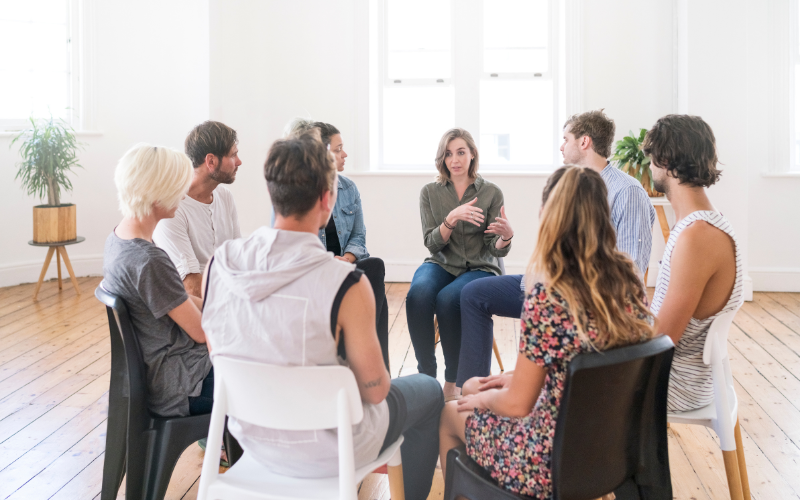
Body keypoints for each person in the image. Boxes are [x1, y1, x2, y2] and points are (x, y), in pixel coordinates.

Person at [201, 132, 443, 500]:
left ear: (271, 192)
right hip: (331, 450)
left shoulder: (219, 264)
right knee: (430, 390)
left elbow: (219, 350)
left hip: (252, 439)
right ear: (327, 199)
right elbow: (376, 391)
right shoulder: (346, 284)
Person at [438, 166, 655, 498]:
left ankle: (489, 484)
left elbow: (516, 405)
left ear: (548, 215)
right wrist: (511, 379)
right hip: (610, 448)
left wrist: (482, 399)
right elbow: (583, 361)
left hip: (547, 460)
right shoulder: (629, 282)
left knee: (453, 410)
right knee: (473, 386)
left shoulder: (549, 296)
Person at [456, 109, 656, 388]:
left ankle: (485, 394)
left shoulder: (627, 191)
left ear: (584, 142)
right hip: (551, 284)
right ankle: (471, 390)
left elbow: (630, 271)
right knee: (473, 293)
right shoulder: (570, 185)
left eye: (566, 139)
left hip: (578, 299)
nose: (561, 146)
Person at [102, 143, 212, 418]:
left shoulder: (118, 239)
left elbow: (178, 299)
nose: (183, 195)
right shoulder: (149, 261)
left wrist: (221, 305)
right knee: (265, 367)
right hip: (183, 384)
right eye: (178, 189)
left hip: (164, 375)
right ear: (157, 195)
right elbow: (202, 333)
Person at [643, 114, 742, 412]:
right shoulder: (702, 224)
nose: (649, 167)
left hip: (672, 384)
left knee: (559, 375)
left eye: (651, 158)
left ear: (665, 161)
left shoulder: (697, 236)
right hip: (674, 375)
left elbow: (663, 339)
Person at [406, 128, 513, 401]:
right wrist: (451, 218)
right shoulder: (430, 192)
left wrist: (505, 237)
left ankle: (451, 382)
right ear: (442, 158)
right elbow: (432, 244)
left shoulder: (491, 192)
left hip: (479, 266)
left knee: (448, 299)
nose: (454, 160)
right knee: (418, 295)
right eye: (448, 154)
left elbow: (493, 247)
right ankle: (425, 376)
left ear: (472, 154)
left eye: (461, 152)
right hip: (441, 262)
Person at [281, 119, 391, 370]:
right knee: (374, 278)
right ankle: (369, 363)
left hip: (344, 267)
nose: (345, 154)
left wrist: (346, 259)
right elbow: (292, 245)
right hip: (313, 272)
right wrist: (329, 262)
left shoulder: (348, 188)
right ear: (320, 156)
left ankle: (365, 359)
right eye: (338, 149)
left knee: (374, 268)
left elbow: (359, 237)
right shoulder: (297, 193)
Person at [153, 121, 242, 297]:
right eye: (233, 155)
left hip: (228, 294)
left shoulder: (225, 196)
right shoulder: (171, 209)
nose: (239, 162)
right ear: (211, 161)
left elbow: (238, 256)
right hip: (201, 305)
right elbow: (191, 287)